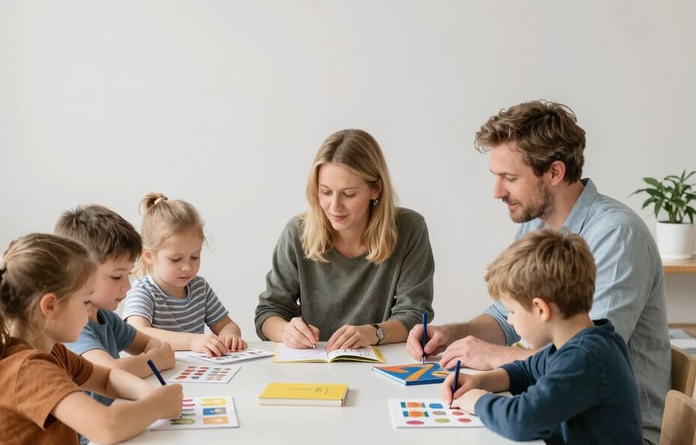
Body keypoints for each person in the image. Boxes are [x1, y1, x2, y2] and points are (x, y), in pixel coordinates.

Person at [406, 100, 669, 444]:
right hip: (561, 417)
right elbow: (510, 318)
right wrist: (458, 334)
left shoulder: (617, 235)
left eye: (510, 178)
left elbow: (575, 361)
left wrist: (491, 364)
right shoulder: (535, 227)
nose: (497, 192)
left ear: (555, 172)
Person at [0, 233, 182, 445]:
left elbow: (106, 379)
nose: (89, 312)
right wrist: (156, 406)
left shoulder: (52, 351)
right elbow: (106, 427)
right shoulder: (27, 370)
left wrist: (149, 393)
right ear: (50, 306)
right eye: (85, 302)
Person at [445, 229, 642, 444]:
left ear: (540, 309)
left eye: (512, 311)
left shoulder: (585, 358)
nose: (509, 320)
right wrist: (479, 380)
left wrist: (478, 401)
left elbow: (521, 421)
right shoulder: (583, 342)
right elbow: (527, 370)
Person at [254, 128, 435, 350]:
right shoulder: (297, 232)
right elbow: (268, 312)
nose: (334, 206)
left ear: (375, 189)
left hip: (382, 361)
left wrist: (372, 332)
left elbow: (415, 315)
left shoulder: (409, 229)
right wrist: (286, 332)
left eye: (349, 194)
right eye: (326, 192)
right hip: (312, 364)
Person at [55, 204, 176, 443]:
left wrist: (153, 393)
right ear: (79, 273)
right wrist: (155, 361)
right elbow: (112, 370)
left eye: (128, 274)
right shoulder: (72, 329)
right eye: (116, 276)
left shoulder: (105, 317)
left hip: (118, 426)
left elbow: (152, 346)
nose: (128, 286)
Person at [122, 192, 247, 355]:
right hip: (158, 375)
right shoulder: (143, 291)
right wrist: (192, 341)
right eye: (176, 259)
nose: (187, 267)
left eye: (195, 256)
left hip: (196, 373)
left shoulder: (199, 288)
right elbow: (139, 333)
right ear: (149, 256)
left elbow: (226, 325)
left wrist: (230, 336)